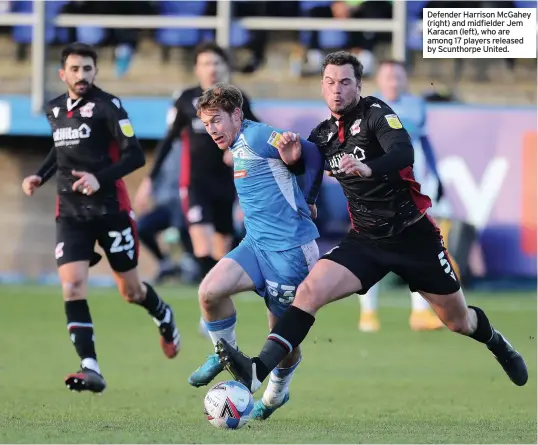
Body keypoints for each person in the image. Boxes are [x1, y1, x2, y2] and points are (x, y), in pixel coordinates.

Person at [215, 51, 529, 392]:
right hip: (366, 240)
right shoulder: (321, 135)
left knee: (457, 320)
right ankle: (257, 371)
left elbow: (403, 152)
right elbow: (310, 170)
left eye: (346, 82)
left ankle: (498, 343)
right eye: (331, 82)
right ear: (322, 86)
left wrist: (369, 168)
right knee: (308, 292)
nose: (337, 90)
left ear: (359, 86)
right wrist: (301, 181)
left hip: (413, 237)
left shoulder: (377, 113)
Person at [21, 43, 180, 394]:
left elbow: (135, 156)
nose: (82, 75)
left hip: (111, 211)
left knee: (131, 290)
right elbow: (59, 148)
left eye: (88, 69)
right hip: (71, 212)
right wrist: (40, 175)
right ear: (63, 74)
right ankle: (90, 366)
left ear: (96, 71)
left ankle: (163, 316)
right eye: (75, 69)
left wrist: (99, 178)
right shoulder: (54, 109)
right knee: (73, 285)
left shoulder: (109, 107)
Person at [188, 84, 324, 420]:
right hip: (256, 245)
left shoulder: (260, 135)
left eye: (217, 121)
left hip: (290, 252)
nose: (212, 130)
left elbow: (313, 154)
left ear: (237, 114)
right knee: (209, 292)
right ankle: (225, 353)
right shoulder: (237, 146)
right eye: (207, 125)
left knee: (280, 341)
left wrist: (310, 198)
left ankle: (276, 393)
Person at [137, 41, 259, 284]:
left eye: (216, 63)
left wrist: (238, 148)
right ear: (197, 69)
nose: (211, 68)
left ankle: (218, 304)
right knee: (201, 246)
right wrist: (149, 180)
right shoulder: (186, 99)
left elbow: (255, 131)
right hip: (195, 182)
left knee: (221, 251)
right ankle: (209, 305)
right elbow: (168, 141)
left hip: (226, 183)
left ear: (225, 67)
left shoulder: (237, 99)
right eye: (206, 63)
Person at [357, 59, 448, 333]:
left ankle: (419, 312)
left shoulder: (416, 106)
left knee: (417, 245)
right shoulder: (368, 108)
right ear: (380, 80)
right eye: (388, 76)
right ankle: (368, 313)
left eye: (398, 76)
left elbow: (424, 143)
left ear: (404, 78)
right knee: (371, 246)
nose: (393, 81)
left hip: (410, 187)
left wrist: (437, 175)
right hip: (377, 189)